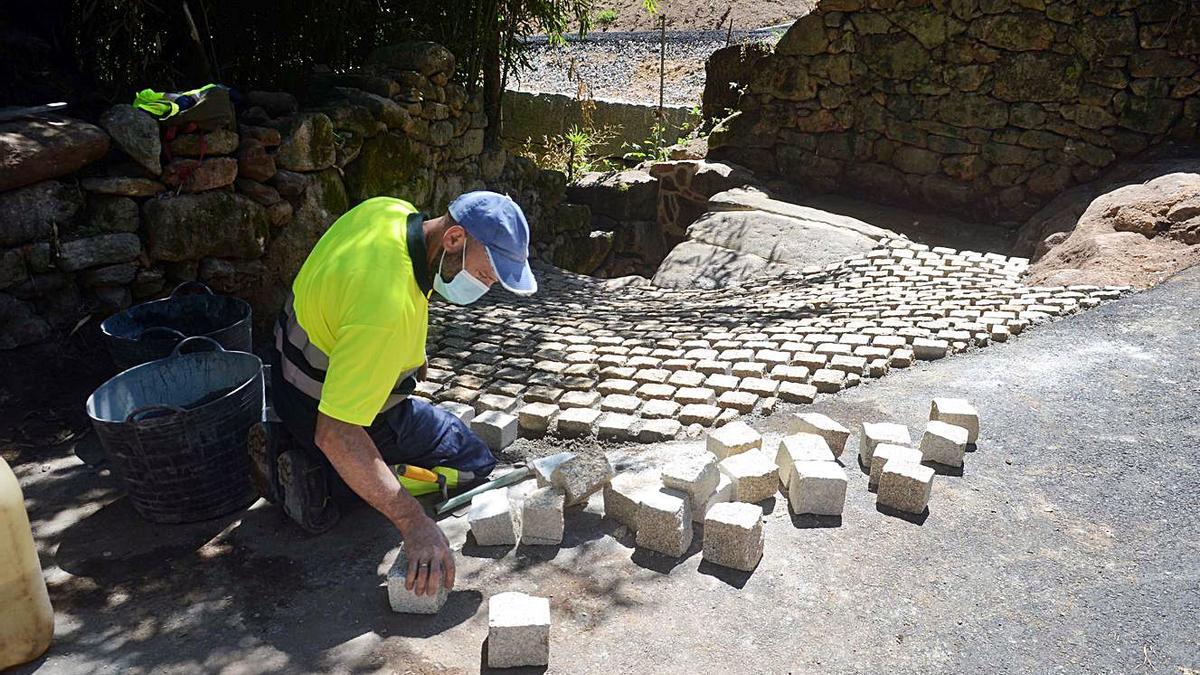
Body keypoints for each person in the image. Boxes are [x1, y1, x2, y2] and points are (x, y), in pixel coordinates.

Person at [253, 191, 537, 597]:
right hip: (322, 412)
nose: (486, 288)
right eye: (487, 275)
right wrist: (414, 523)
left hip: (285, 373)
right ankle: (323, 480)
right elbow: (336, 430)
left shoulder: (390, 212)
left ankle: (298, 444)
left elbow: (374, 298)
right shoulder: (386, 311)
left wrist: (411, 354)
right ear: (455, 239)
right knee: (473, 458)